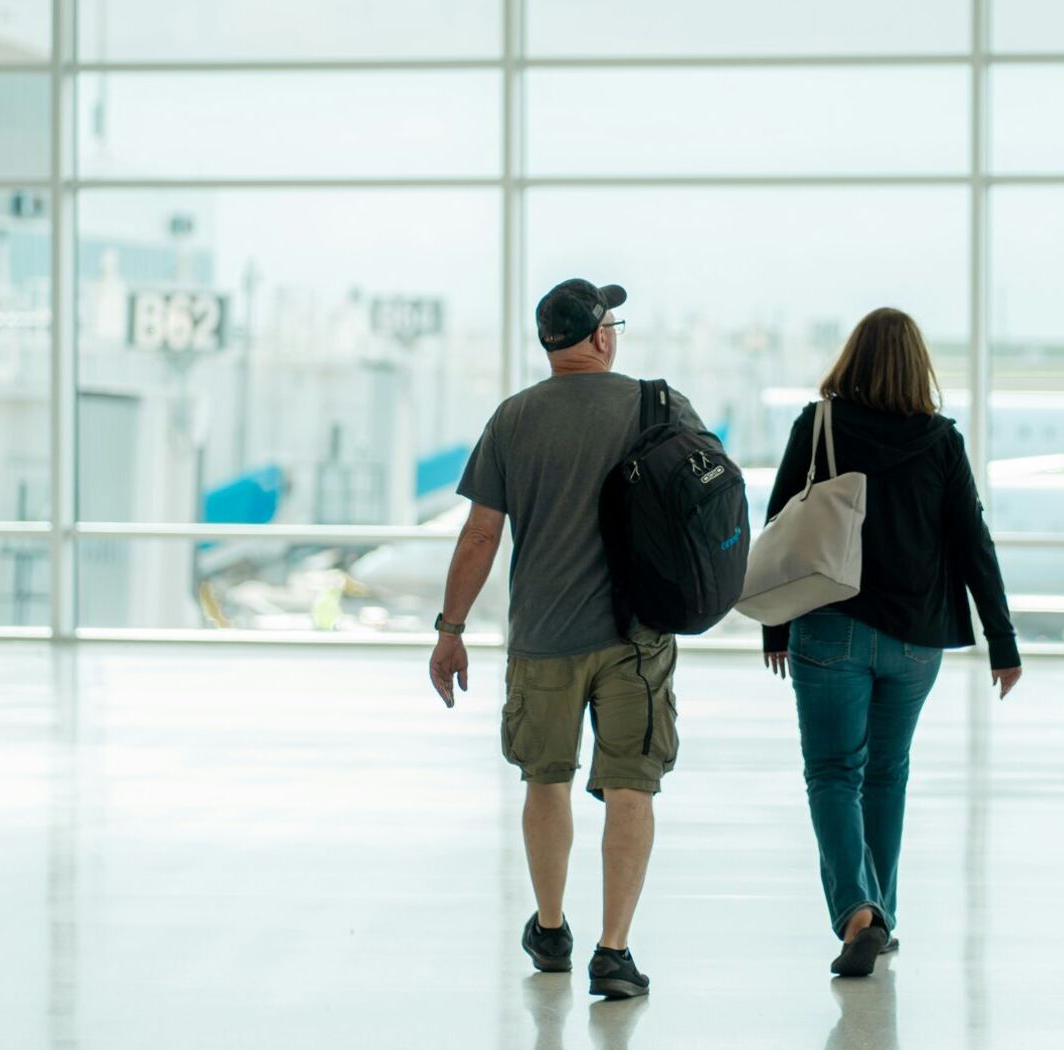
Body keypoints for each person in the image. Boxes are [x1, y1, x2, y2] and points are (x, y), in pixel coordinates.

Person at [429, 278, 707, 1001]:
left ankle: (551, 929)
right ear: (603, 336)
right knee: (631, 788)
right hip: (636, 636)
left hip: (543, 637)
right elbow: (709, 496)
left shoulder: (514, 418)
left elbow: (481, 533)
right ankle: (614, 951)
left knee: (543, 778)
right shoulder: (660, 405)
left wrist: (451, 630)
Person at [761, 306, 1023, 977]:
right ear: (917, 366)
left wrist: (774, 622)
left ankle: (858, 912)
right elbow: (972, 539)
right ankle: (880, 913)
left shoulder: (819, 423)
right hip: (916, 640)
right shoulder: (940, 441)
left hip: (830, 626)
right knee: (886, 771)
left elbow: (781, 525)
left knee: (832, 773)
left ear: (851, 357)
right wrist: (1002, 639)